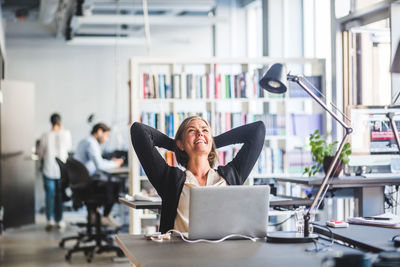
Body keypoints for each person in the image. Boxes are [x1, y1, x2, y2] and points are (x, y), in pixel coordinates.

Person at [130, 116, 265, 233]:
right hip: (181, 256)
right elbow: (139, 131)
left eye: (205, 130)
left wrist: (210, 141)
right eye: (192, 131)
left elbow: (257, 130)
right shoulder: (169, 180)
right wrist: (177, 146)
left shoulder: (232, 175)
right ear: (181, 144)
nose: (200, 133)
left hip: (223, 254)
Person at [74, 123, 124, 227]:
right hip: (87, 185)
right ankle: (105, 216)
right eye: (107, 135)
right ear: (99, 131)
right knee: (116, 183)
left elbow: (97, 161)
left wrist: (110, 162)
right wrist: (115, 163)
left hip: (80, 184)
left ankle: (94, 214)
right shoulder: (91, 143)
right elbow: (99, 165)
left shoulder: (85, 141)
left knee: (106, 180)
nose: (107, 139)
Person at [38, 113, 72, 231]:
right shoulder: (66, 133)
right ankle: (60, 220)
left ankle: (50, 220)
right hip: (61, 170)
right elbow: (68, 147)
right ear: (60, 121)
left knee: (49, 195)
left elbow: (41, 152)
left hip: (48, 168)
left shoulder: (45, 135)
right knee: (59, 195)